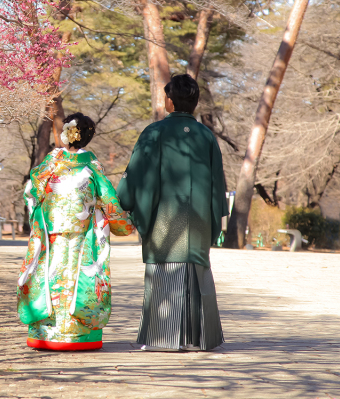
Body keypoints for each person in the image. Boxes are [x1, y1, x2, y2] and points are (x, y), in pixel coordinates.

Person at [116, 73, 229, 352]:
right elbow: (218, 182)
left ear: (170, 100)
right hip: (200, 217)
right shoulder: (206, 136)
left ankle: (162, 337)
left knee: (165, 270)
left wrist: (126, 199)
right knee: (198, 273)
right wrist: (215, 216)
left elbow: (137, 177)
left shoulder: (154, 133)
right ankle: (200, 338)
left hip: (163, 217)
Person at [18, 113, 134, 351]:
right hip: (83, 239)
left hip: (49, 238)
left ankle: (46, 335)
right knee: (79, 282)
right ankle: (78, 336)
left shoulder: (49, 164)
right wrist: (125, 224)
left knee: (49, 280)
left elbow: (30, 193)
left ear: (64, 134)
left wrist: (41, 215)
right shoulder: (92, 167)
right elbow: (109, 200)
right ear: (88, 138)